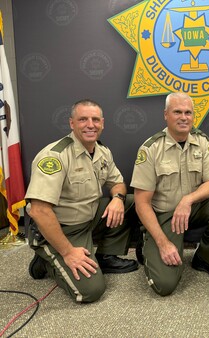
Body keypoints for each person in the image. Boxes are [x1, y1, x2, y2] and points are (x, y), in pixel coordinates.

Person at [26, 99, 138, 303]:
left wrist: (118, 199)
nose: (90, 124)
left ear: (102, 123)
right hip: (62, 229)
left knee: (129, 201)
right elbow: (39, 211)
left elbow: (118, 183)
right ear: (72, 123)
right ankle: (45, 260)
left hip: (90, 219)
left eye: (95, 119)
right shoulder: (55, 156)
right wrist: (68, 253)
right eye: (83, 119)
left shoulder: (102, 152)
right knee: (91, 291)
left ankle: (106, 256)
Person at [131, 92, 209, 296]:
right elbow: (141, 203)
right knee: (165, 285)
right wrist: (163, 243)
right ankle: (149, 244)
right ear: (166, 115)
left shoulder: (202, 141)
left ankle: (205, 258)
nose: (183, 117)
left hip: (192, 209)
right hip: (163, 215)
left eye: (188, 112)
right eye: (177, 112)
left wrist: (188, 200)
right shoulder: (151, 148)